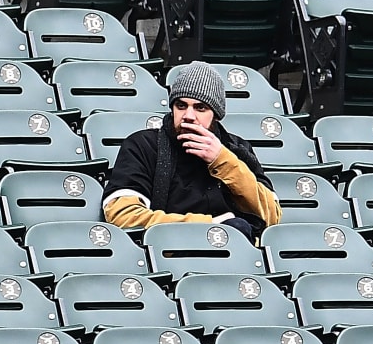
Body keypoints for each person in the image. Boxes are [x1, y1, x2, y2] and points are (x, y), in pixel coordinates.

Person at [101, 61, 282, 240]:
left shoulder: (237, 149)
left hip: (236, 255)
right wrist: (210, 227)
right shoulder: (143, 145)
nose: (188, 116)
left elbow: (271, 217)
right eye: (181, 105)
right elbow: (122, 215)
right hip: (168, 253)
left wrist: (222, 160)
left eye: (200, 108)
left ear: (216, 115)